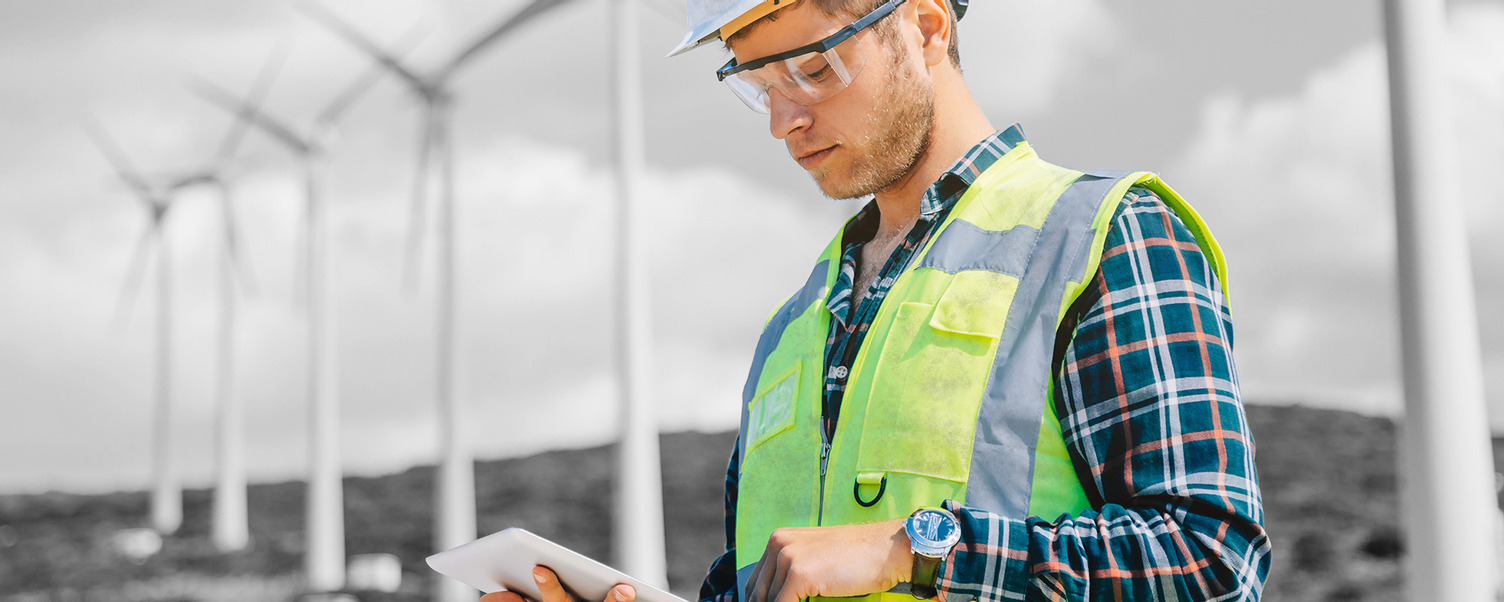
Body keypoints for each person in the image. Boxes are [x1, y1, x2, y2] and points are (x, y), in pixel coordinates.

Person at [487, 1, 1270, 601]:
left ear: (926, 26)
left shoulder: (1103, 236)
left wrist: (915, 549)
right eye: (757, 83)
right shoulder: (792, 325)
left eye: (814, 69)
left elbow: (1211, 560)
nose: (783, 120)